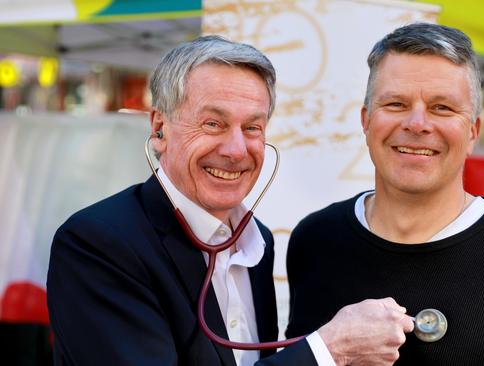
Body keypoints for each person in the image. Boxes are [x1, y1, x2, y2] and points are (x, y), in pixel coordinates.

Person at [47, 35, 413, 366]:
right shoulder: (97, 243)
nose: (237, 150)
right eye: (213, 124)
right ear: (160, 128)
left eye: (252, 128)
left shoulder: (257, 241)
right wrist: (328, 350)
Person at [285, 23, 484, 365]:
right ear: (366, 121)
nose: (417, 124)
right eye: (395, 103)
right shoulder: (315, 240)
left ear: (473, 132)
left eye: (442, 108)